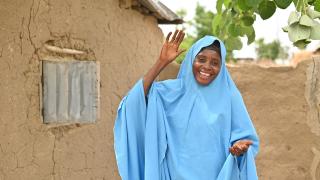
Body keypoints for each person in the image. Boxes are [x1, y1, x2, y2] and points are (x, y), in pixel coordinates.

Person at [114, 30, 259, 180]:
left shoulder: (230, 97)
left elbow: (245, 140)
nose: (207, 66)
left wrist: (240, 147)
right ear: (191, 60)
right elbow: (132, 104)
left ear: (222, 67)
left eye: (215, 63)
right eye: (201, 59)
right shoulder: (170, 93)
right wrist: (161, 62)